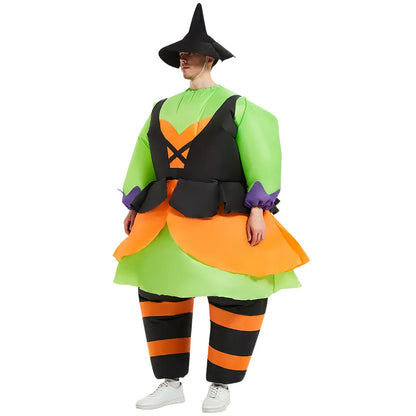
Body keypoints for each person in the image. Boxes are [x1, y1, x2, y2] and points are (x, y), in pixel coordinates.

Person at [112, 3, 309, 413]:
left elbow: (262, 151)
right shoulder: (160, 108)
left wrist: (259, 208)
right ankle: (170, 382)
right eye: (181, 54)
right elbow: (143, 153)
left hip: (222, 217)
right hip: (165, 219)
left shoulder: (238, 106)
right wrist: (135, 202)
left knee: (237, 292)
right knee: (159, 293)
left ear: (211, 59)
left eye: (191, 53)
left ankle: (221, 384)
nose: (183, 58)